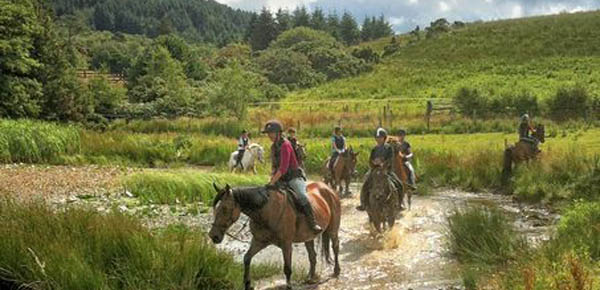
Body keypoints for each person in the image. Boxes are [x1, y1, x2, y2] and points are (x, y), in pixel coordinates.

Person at [263, 120, 322, 232]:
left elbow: (283, 168)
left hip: (293, 177)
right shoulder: (273, 147)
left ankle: (313, 223)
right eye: (268, 133)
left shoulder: (286, 145)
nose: (269, 135)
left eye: (271, 133)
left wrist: (273, 181)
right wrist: (271, 178)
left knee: (301, 196)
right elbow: (275, 167)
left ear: (278, 133)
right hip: (281, 178)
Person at [356, 128, 403, 211]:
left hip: (387, 170)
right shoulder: (374, 149)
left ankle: (399, 204)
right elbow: (370, 160)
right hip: (375, 170)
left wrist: (382, 163)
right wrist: (374, 163)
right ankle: (363, 203)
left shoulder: (389, 148)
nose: (378, 139)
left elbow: (390, 159)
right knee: (365, 184)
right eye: (377, 137)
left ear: (384, 138)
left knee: (399, 184)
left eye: (380, 137)